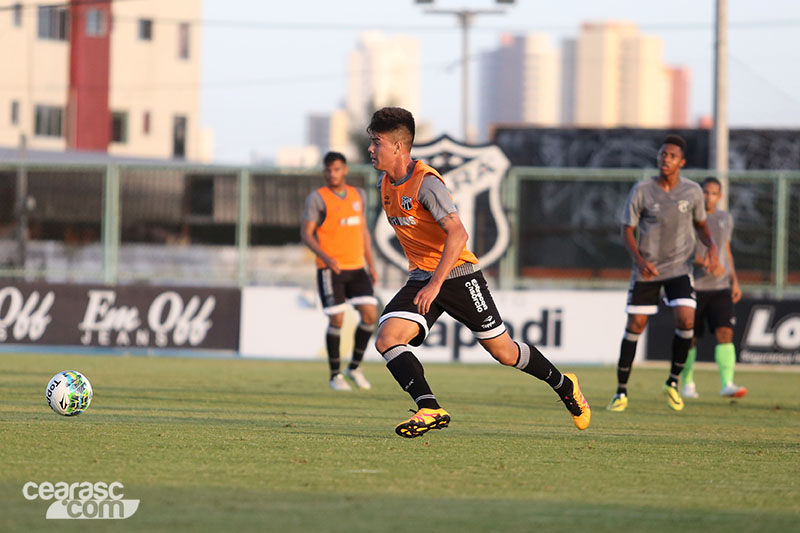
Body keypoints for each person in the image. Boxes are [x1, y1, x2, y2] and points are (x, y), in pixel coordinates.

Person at [367, 106, 590, 438]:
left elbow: (458, 235)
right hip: (422, 278)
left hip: (459, 275)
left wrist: (436, 284)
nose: (370, 149)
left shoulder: (426, 184)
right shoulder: (385, 183)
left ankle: (564, 384)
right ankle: (429, 407)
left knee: (504, 352)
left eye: (377, 142)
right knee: (387, 338)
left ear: (399, 147)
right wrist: (427, 282)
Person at [608, 134, 719, 412]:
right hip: (648, 269)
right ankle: (621, 391)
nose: (665, 159)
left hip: (679, 268)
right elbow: (627, 229)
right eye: (662, 154)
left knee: (686, 320)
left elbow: (701, 224)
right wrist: (638, 259)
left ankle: (672, 381)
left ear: (681, 162)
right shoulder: (643, 190)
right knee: (635, 326)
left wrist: (711, 246)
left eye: (671, 156)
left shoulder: (693, 192)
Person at [301, 151, 378, 391]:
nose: (332, 174)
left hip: (357, 268)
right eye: (328, 170)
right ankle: (335, 375)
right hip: (330, 269)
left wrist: (371, 263)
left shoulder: (358, 195)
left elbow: (363, 231)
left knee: (369, 315)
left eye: (336, 169)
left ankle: (354, 367)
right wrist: (326, 257)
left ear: (345, 170)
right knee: (337, 319)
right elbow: (306, 234)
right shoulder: (318, 198)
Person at [681, 177, 746, 399]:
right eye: (705, 192)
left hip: (720, 287)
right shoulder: (688, 218)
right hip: (693, 286)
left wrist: (734, 280)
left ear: (720, 196)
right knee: (689, 338)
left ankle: (727, 383)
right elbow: (680, 250)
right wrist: (706, 262)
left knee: (725, 332)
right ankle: (687, 383)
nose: (709, 197)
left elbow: (726, 250)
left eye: (714, 193)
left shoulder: (725, 218)